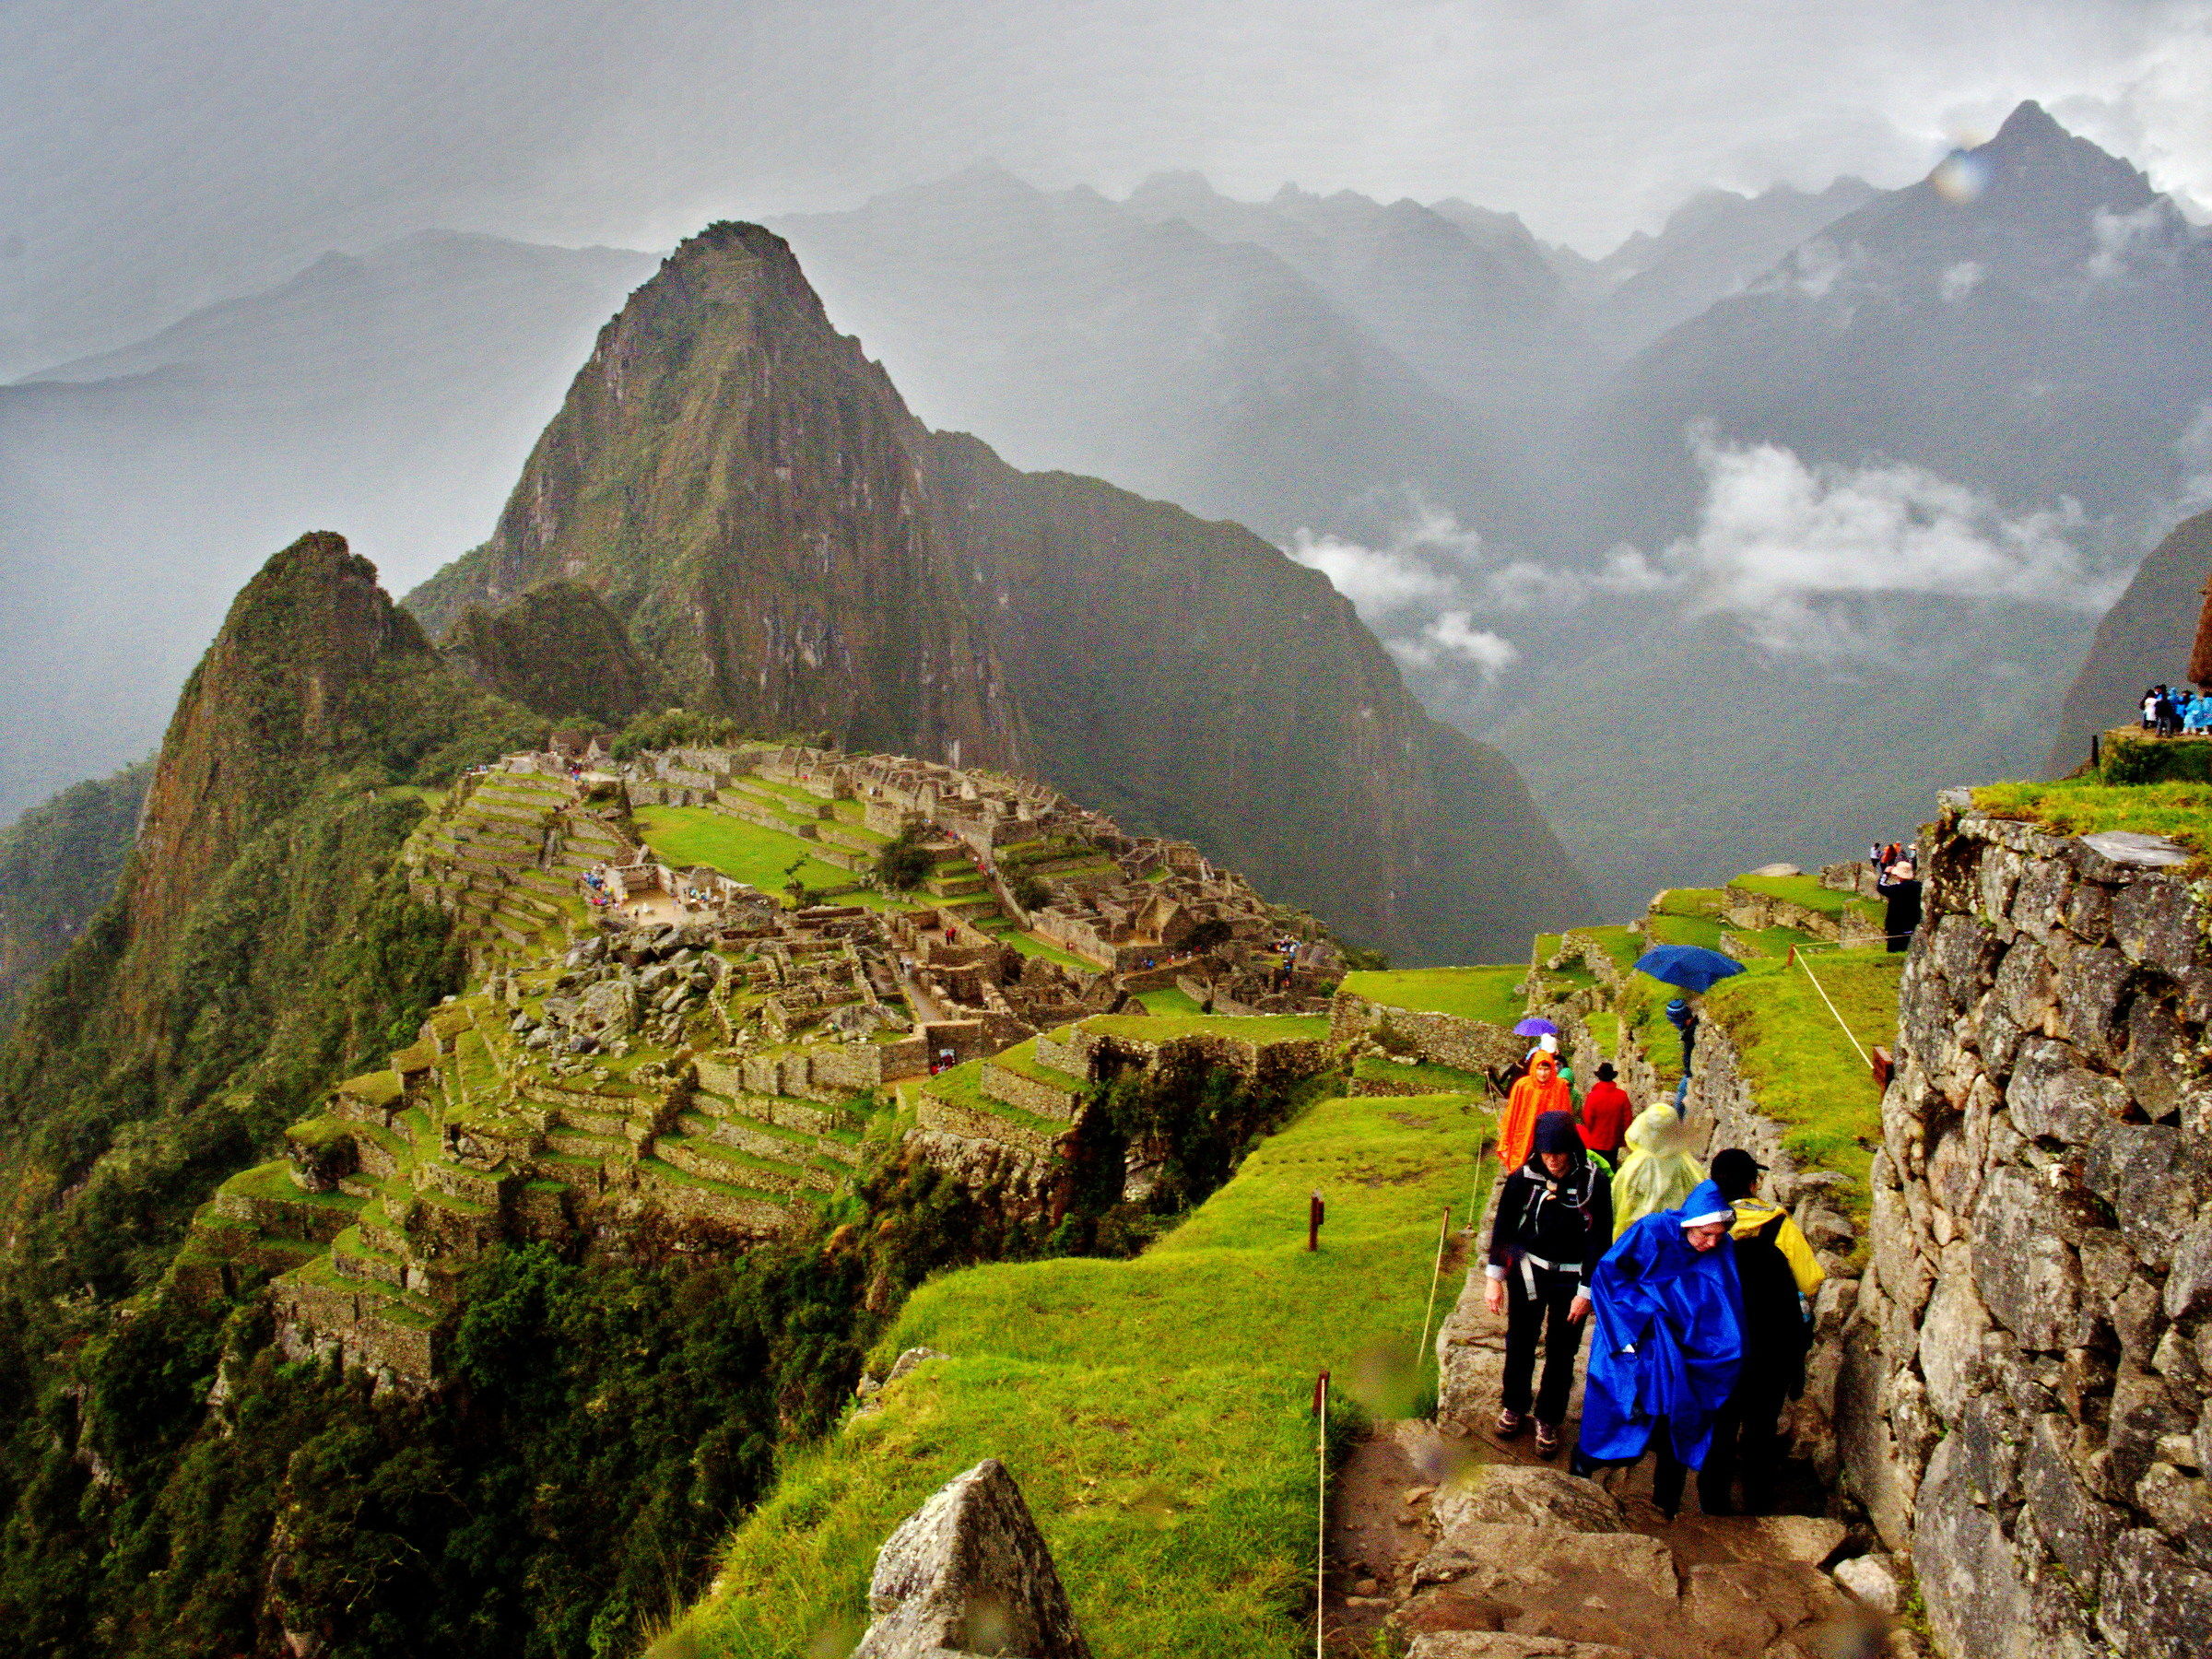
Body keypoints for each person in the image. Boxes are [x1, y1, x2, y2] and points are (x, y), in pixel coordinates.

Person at [1572, 1179, 1747, 1520]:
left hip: (1684, 1355)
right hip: (1636, 1343)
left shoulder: (1721, 1249)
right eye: (1705, 1235)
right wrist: (1647, 1314)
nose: (1711, 1243)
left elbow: (1727, 1307)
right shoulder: (1652, 1231)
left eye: (1718, 1235)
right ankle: (1581, 1475)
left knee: (1675, 1425)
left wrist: (1709, 1348)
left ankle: (1665, 1506)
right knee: (1618, 1410)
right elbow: (1609, 1275)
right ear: (1689, 1223)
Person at [1699, 1149, 1826, 1515]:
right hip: (1771, 1345)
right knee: (1761, 1424)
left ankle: (1713, 1500)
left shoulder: (1704, 1224)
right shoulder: (1778, 1224)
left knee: (1721, 1423)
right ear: (1753, 1184)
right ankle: (1757, 1499)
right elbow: (1811, 1279)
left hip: (1720, 1345)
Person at [1486, 1110, 1613, 1458]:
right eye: (1546, 1153)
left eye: (1559, 1152)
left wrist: (1586, 1291)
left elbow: (1600, 1240)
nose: (1553, 1160)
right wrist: (1494, 1278)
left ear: (1572, 1147)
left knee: (1563, 1349)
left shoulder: (1593, 1183)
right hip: (1529, 1272)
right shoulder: (1523, 1179)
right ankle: (1514, 1404)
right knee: (1520, 1341)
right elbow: (1504, 1227)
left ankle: (1549, 1416)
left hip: (1571, 1281)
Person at [1610, 1102, 1704, 1238]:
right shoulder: (1688, 1166)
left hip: (1637, 1235)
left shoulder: (1634, 1166)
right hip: (1675, 1235)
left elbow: (1617, 1199)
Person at [1498, 1049, 1571, 1170]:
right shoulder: (1522, 1086)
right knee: (1520, 1174)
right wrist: (1505, 1143)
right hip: (1523, 1138)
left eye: (1546, 1069)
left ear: (1552, 1068)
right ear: (1533, 1068)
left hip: (1549, 1142)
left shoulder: (1560, 1087)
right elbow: (1511, 1115)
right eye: (1540, 1069)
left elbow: (1566, 1117)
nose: (1542, 1073)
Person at [1578, 1062, 1633, 1164]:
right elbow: (1627, 1120)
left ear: (1599, 1077)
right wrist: (1621, 1136)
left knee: (1597, 1168)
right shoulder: (1622, 1096)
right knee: (1611, 1166)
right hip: (1614, 1141)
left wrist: (1592, 1133)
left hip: (1595, 1141)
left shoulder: (1593, 1096)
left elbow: (1587, 1120)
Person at [1877, 855, 1923, 952]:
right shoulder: (1919, 886)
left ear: (1898, 875)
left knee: (1895, 948)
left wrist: (1885, 873)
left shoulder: (1896, 889)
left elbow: (1880, 886)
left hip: (1896, 925)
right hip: (1913, 924)